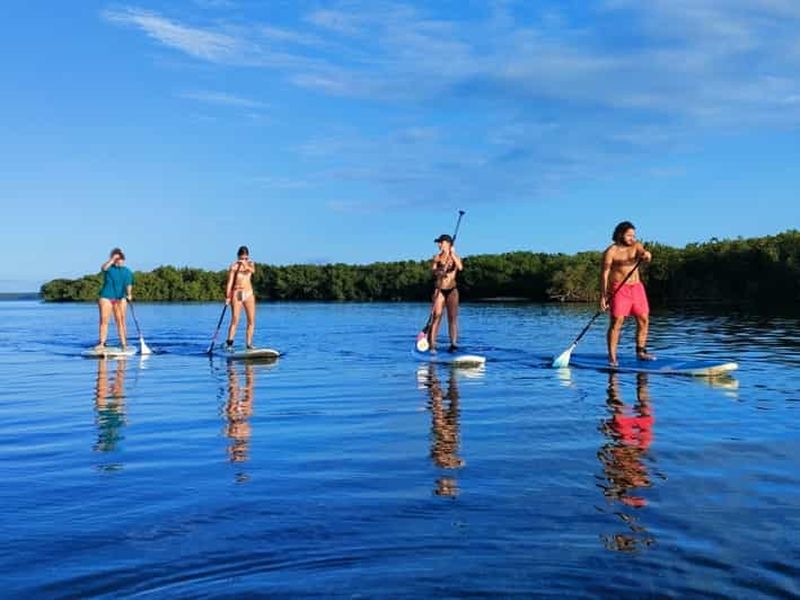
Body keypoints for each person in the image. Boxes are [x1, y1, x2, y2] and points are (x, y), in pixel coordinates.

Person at [600, 222, 654, 367]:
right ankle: (612, 358)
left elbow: (644, 254)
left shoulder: (636, 246)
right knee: (617, 322)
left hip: (636, 287)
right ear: (620, 234)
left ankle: (640, 352)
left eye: (633, 235)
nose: (632, 238)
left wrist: (647, 256)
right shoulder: (610, 252)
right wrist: (603, 296)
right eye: (629, 235)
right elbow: (604, 274)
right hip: (619, 289)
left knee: (644, 319)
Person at [428, 234, 463, 353]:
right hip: (439, 290)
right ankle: (432, 345)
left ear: (448, 244)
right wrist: (439, 270)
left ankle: (453, 343)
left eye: (441, 242)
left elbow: (460, 267)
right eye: (438, 243)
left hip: (452, 289)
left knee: (452, 318)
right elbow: (433, 271)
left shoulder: (455, 256)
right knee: (437, 315)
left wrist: (452, 254)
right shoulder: (436, 257)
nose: (438, 245)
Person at [95, 248, 134, 351]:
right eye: (118, 259)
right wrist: (112, 259)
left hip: (120, 298)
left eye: (122, 259)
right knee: (104, 320)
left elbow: (128, 284)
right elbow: (103, 268)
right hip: (106, 297)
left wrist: (129, 294)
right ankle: (102, 343)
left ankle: (124, 344)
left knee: (121, 321)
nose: (121, 261)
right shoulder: (109, 268)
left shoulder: (127, 271)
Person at [225, 246, 257, 350]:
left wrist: (245, 264)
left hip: (248, 293)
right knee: (235, 319)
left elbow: (252, 271)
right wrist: (227, 296)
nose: (244, 260)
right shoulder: (234, 266)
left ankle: (249, 344)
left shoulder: (250, 264)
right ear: (238, 257)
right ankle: (229, 344)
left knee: (251, 320)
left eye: (246, 258)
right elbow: (230, 282)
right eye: (242, 258)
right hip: (238, 293)